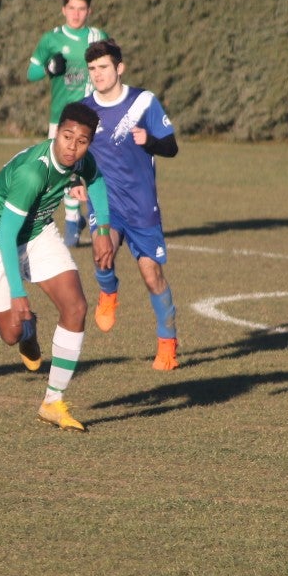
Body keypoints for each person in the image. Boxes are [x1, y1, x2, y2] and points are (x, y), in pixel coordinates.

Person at [0, 102, 115, 432]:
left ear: (89, 143)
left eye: (81, 141)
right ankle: (28, 330)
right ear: (56, 132)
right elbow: (6, 233)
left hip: (36, 232)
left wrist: (102, 230)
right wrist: (19, 294)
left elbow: (96, 180)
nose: (72, 147)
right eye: (67, 137)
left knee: (76, 306)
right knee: (11, 333)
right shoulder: (33, 172)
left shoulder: (82, 160)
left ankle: (52, 402)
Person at [80, 39, 181, 371]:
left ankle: (167, 344)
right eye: (93, 69)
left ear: (119, 68)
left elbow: (171, 147)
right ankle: (108, 293)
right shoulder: (84, 110)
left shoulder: (143, 102)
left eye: (104, 67)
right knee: (102, 252)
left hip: (142, 205)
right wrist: (72, 185)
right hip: (105, 203)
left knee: (152, 276)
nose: (98, 74)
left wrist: (149, 141)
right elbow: (71, 154)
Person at [27, 0, 109, 248]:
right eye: (71, 8)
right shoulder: (51, 40)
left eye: (81, 9)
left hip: (94, 115)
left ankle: (101, 221)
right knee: (65, 167)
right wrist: (50, 68)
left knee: (96, 169)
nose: (76, 14)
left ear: (89, 10)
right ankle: (73, 220)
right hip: (61, 118)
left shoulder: (98, 37)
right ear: (64, 10)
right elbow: (32, 72)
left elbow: (110, 72)